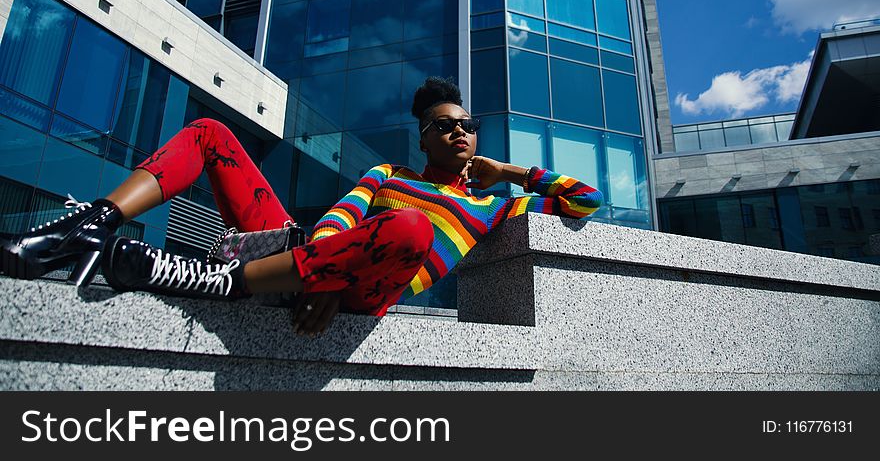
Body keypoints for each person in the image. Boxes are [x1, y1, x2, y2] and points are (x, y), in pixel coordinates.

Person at [0, 76, 602, 335]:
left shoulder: (494, 206)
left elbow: (586, 202)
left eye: (466, 126)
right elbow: (344, 214)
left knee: (412, 229)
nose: (458, 134)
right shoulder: (387, 173)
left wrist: (515, 172)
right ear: (422, 137)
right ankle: (89, 227)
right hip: (308, 264)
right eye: (443, 127)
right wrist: (321, 271)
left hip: (365, 292)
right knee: (210, 132)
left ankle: (219, 280)